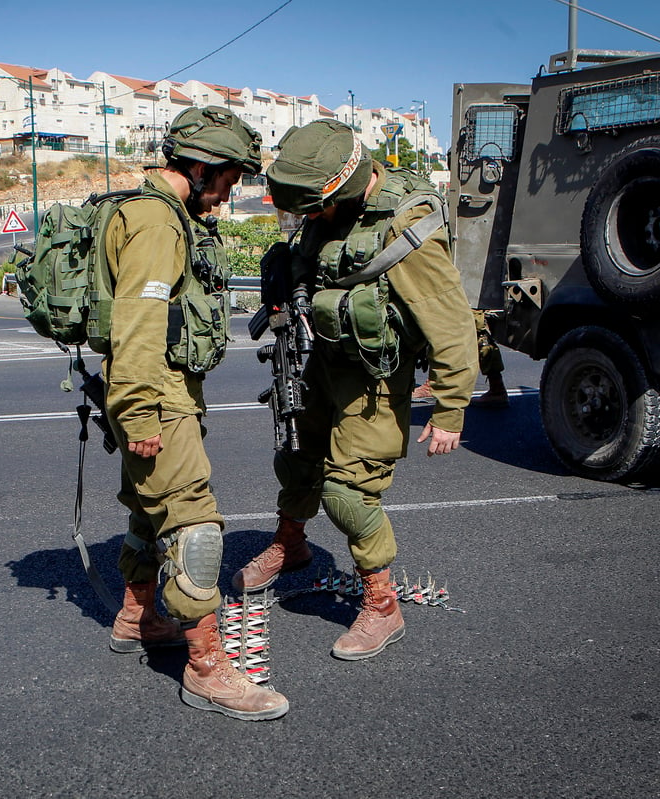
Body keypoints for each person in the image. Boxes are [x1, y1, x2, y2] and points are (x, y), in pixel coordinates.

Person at [232, 119, 477, 661]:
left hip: (372, 378)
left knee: (348, 491)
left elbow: (453, 324)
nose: (308, 219)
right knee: (297, 456)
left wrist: (451, 407)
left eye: (313, 208)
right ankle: (291, 543)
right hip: (319, 358)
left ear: (341, 186)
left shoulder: (402, 228)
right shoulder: (330, 211)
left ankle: (383, 603)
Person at [101, 105, 288, 721]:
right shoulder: (158, 224)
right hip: (155, 396)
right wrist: (140, 415)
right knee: (192, 524)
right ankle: (207, 667)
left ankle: (139, 614)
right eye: (231, 178)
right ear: (203, 168)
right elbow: (138, 324)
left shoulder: (154, 213)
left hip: (152, 392)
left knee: (146, 511)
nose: (232, 191)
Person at [412, 309, 508, 407]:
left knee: (474, 329)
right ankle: (497, 387)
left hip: (470, 298)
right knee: (443, 326)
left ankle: (434, 384)